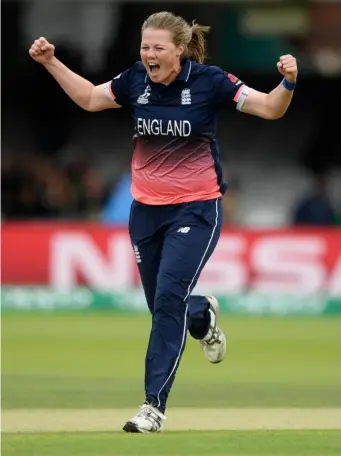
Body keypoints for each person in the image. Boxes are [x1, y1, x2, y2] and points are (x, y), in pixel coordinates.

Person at [29, 11, 298, 433]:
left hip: (197, 209)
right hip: (145, 211)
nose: (148, 55)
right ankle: (202, 317)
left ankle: (153, 407)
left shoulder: (210, 81)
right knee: (165, 306)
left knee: (166, 303)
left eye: (157, 48)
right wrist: (50, 62)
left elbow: (269, 108)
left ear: (178, 50)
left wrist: (287, 83)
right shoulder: (135, 79)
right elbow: (89, 99)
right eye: (144, 47)